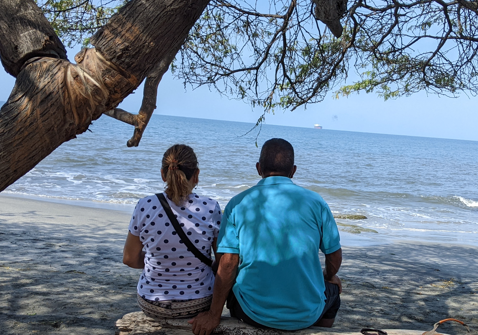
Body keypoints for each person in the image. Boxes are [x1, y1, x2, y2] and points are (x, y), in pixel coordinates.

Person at [189, 138, 342, 335]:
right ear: (293, 171)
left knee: (235, 283)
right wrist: (329, 276)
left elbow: (227, 264)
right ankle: (315, 331)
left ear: (258, 168)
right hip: (307, 314)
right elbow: (334, 257)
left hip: (252, 312)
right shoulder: (316, 202)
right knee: (333, 293)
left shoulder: (237, 203)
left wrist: (213, 315)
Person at [122, 144, 222, 319]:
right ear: (196, 175)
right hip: (198, 302)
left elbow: (129, 259)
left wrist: (158, 262)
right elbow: (221, 260)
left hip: (151, 303)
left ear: (163, 174)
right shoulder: (211, 207)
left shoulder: (145, 205)